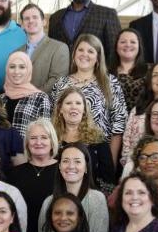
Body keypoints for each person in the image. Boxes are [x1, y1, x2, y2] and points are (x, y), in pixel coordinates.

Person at [48, 35, 126, 169]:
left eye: (90, 51)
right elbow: (52, 120)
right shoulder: (61, 84)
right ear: (74, 54)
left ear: (98, 58)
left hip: (98, 156)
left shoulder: (110, 83)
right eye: (81, 50)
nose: (85, 54)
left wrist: (110, 162)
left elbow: (118, 124)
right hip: (63, 155)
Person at [36, 142, 110, 232]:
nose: (71, 166)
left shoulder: (97, 199)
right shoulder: (48, 202)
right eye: (66, 161)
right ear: (60, 167)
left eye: (77, 161)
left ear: (86, 168)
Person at [48, 0, 122, 65]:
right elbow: (51, 49)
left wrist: (105, 76)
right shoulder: (56, 17)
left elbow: (114, 50)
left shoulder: (107, 14)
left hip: (94, 75)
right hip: (62, 74)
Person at [53, 86, 117, 194]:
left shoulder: (98, 140)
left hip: (92, 197)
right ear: (60, 109)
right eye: (68, 103)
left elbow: (108, 180)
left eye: (78, 103)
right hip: (57, 196)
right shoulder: (51, 139)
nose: (74, 107)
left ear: (84, 110)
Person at [8, 119, 59, 232]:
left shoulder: (64, 171)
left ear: (52, 142)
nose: (38, 142)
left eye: (44, 137)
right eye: (33, 138)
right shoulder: (14, 173)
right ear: (27, 143)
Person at [15, 3, 69, 93]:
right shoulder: (16, 53)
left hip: (46, 104)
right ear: (22, 25)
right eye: (27, 18)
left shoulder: (59, 48)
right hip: (18, 103)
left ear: (44, 22)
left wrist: (31, 97)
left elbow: (57, 80)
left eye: (35, 17)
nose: (31, 21)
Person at [0, 50, 52, 137]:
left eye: (22, 67)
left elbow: (45, 133)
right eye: (12, 67)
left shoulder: (40, 98)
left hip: (26, 149)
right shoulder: (0, 98)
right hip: (0, 149)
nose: (16, 71)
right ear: (7, 69)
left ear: (28, 70)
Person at [109, 28, 147, 112]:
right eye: (123, 42)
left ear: (139, 47)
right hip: (112, 123)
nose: (128, 45)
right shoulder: (105, 73)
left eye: (133, 42)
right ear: (116, 47)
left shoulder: (150, 71)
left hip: (141, 121)